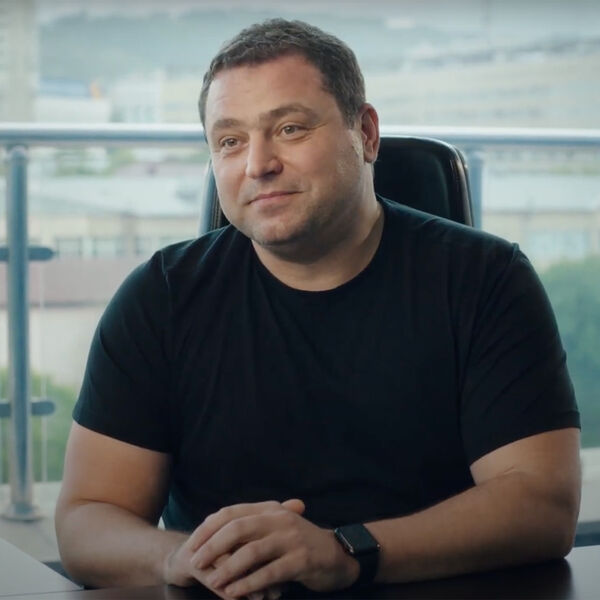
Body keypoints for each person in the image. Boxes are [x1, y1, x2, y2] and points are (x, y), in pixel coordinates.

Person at [55, 18, 581, 600]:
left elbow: (541, 505)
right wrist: (178, 558)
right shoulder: (161, 297)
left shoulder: (487, 279)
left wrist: (346, 552)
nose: (257, 164)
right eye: (230, 141)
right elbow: (87, 519)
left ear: (366, 134)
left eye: (290, 128)